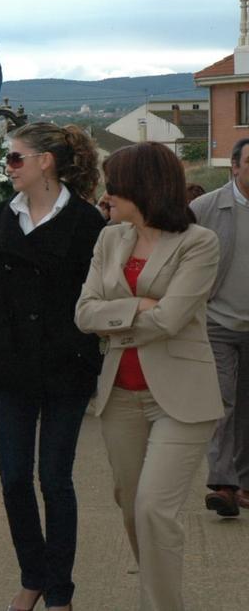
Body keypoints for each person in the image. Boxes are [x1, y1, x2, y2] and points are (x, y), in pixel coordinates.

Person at [75, 142, 222, 611]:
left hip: (181, 399)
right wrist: (139, 306)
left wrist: (113, 315)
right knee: (132, 508)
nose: (105, 193)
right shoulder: (109, 238)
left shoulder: (199, 243)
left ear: (142, 186)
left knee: (155, 510)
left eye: (113, 184)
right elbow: (82, 314)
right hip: (119, 396)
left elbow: (172, 320)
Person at [0, 122, 105, 611]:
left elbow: (98, 292)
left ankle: (60, 591)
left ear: (45, 161)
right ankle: (33, 575)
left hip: (65, 367)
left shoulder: (88, 222)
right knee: (12, 477)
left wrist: (77, 346)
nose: (8, 168)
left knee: (54, 479)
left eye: (15, 158)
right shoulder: (1, 219)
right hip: (12, 368)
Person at [190, 136, 249, 517]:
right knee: (223, 402)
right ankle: (224, 484)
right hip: (217, 322)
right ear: (235, 166)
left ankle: (244, 482)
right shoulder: (205, 208)